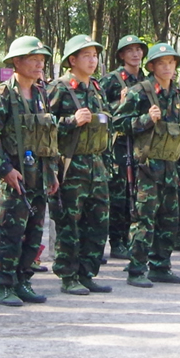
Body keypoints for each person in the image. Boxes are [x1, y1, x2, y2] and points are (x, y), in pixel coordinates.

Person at [0, 36, 59, 307]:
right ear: (16, 62)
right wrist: (5, 170)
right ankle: (4, 285)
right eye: (33, 59)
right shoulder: (2, 95)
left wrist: (52, 173)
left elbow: (47, 137)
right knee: (10, 231)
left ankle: (23, 279)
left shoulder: (41, 93)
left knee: (34, 231)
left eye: (42, 60)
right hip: (14, 175)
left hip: (38, 174)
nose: (39, 65)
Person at [116, 42, 180, 286]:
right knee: (144, 219)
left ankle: (161, 266)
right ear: (152, 66)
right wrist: (146, 119)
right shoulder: (140, 92)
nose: (168, 67)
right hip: (146, 167)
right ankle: (136, 269)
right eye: (162, 63)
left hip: (171, 166)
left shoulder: (177, 95)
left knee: (169, 218)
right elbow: (118, 123)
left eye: (171, 63)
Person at [46, 34, 114, 294]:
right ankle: (68, 275)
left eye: (95, 55)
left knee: (97, 222)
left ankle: (87, 272)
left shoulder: (96, 87)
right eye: (86, 55)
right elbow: (44, 126)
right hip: (71, 167)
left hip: (96, 165)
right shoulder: (59, 88)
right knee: (70, 223)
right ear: (71, 60)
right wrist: (70, 121)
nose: (92, 60)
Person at [101, 35, 149, 264]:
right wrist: (118, 103)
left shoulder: (146, 80)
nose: (135, 54)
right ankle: (117, 240)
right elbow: (99, 111)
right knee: (118, 194)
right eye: (129, 50)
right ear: (121, 55)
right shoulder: (111, 80)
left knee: (137, 194)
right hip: (118, 144)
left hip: (141, 143)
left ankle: (134, 239)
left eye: (138, 49)